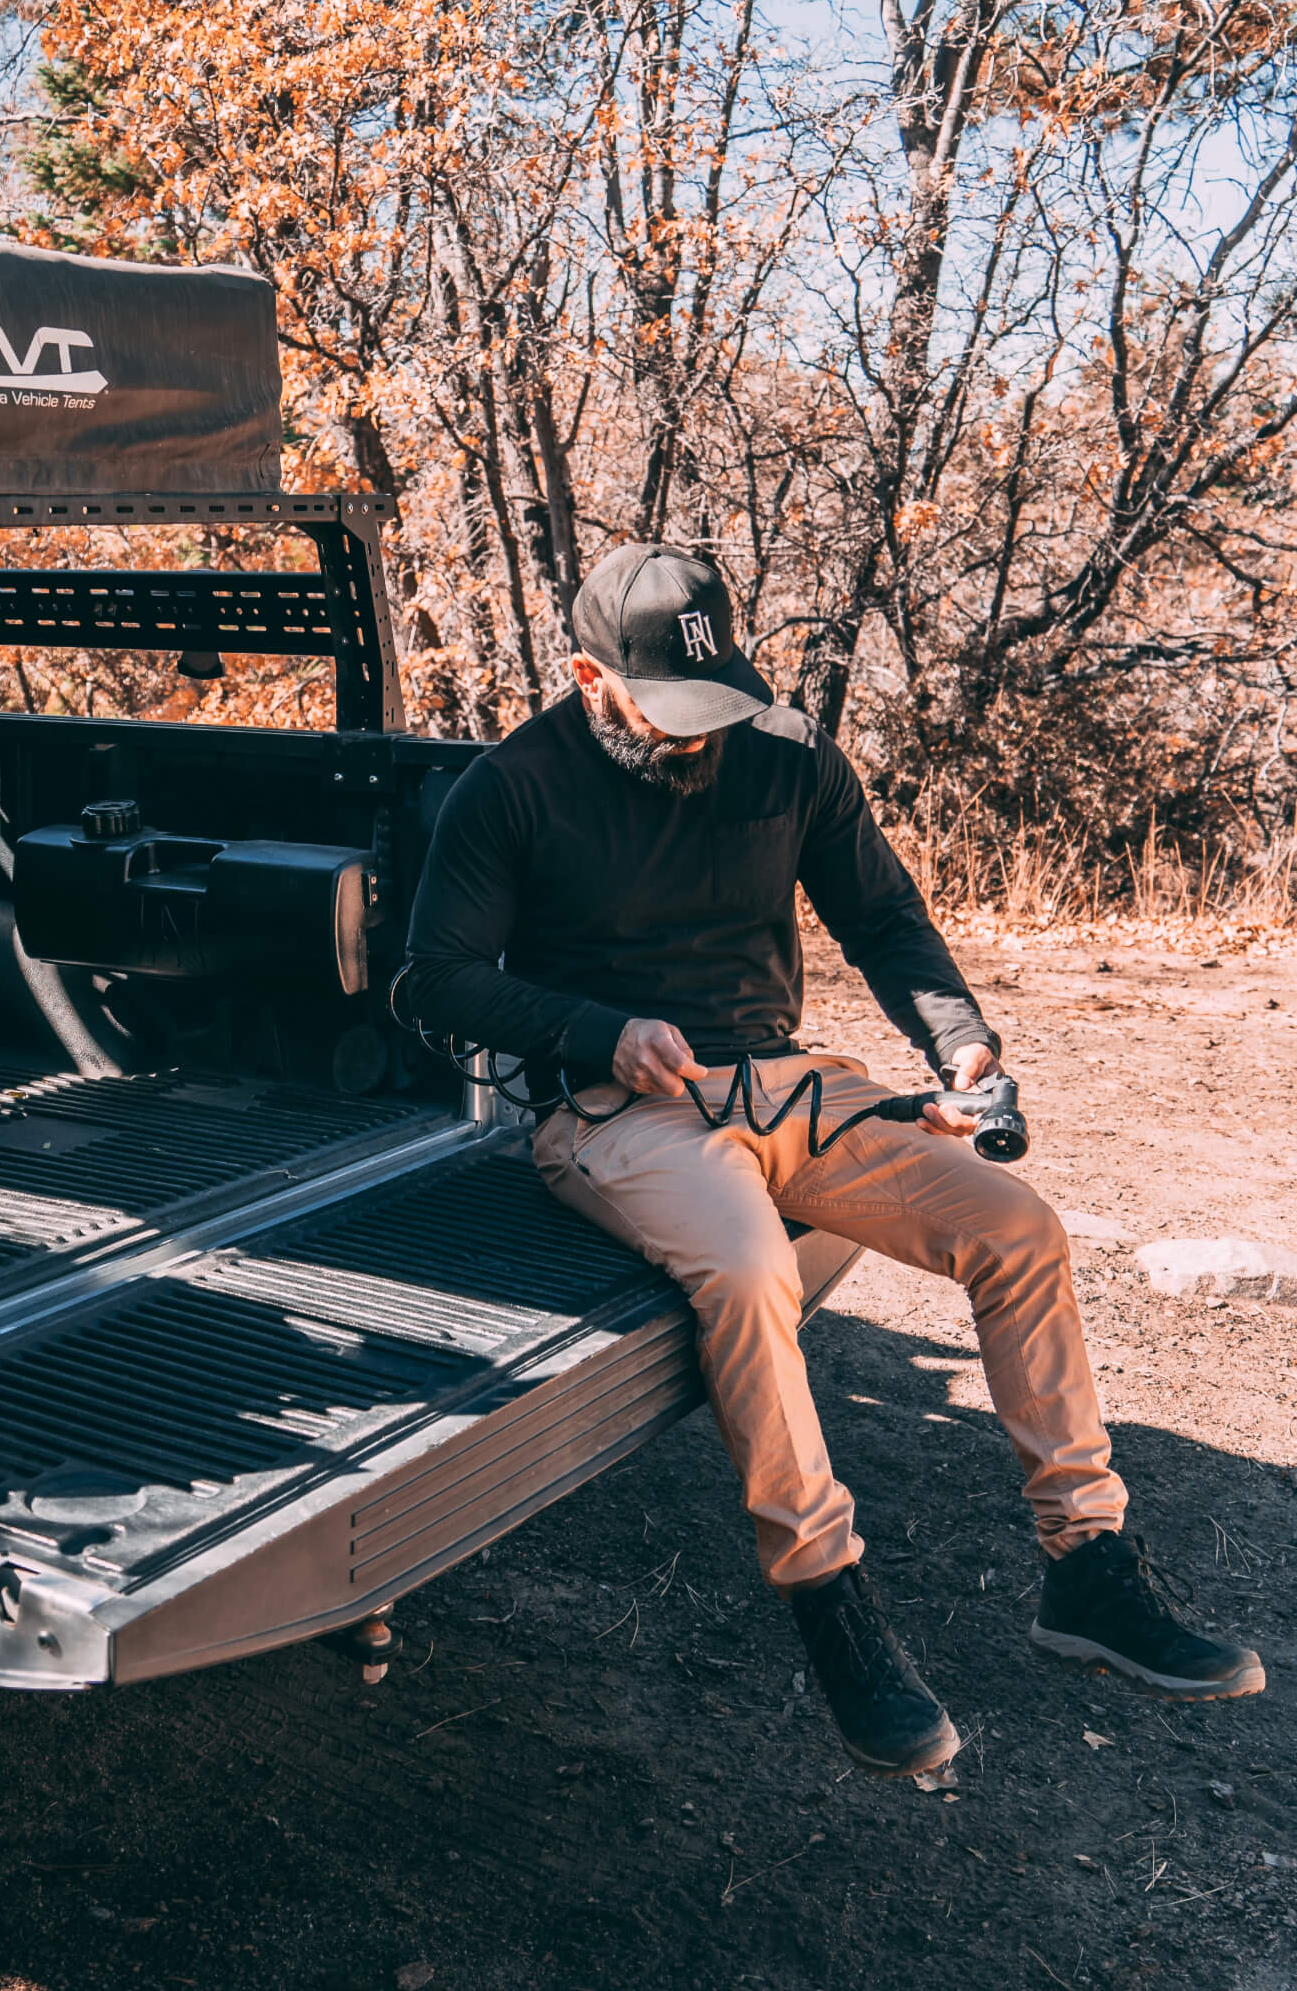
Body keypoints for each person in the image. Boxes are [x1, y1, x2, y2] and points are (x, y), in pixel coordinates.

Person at [398, 542, 1266, 1777]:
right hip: (614, 1110)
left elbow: (880, 916)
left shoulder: (786, 750)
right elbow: (434, 978)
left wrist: (959, 1043)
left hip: (793, 1087)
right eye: (668, 712)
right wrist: (598, 1029)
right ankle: (828, 1597)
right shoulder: (513, 786)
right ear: (588, 675)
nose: (698, 737)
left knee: (1015, 1230)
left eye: (715, 708)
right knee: (750, 1273)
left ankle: (1086, 1569)